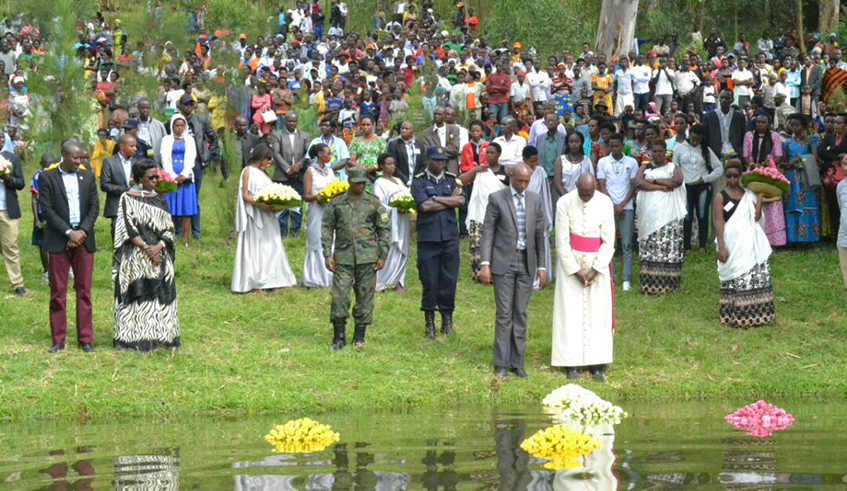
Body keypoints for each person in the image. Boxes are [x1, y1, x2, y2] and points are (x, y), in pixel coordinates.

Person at [477, 163, 546, 379]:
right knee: (504, 313)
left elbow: (539, 235)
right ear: (511, 177)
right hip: (502, 262)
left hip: (526, 262)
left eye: (526, 181)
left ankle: (518, 363)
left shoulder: (535, 199)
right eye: (519, 181)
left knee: (520, 313)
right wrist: (485, 263)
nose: (523, 185)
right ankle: (501, 364)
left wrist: (542, 266)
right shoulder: (497, 198)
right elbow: (487, 232)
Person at [552, 173, 615, 381]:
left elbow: (608, 241)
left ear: (595, 188)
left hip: (598, 265)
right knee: (569, 313)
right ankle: (571, 363)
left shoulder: (605, 203)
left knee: (597, 314)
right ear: (577, 188)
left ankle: (596, 364)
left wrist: (596, 268)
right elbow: (561, 240)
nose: (585, 198)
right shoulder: (564, 202)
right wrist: (575, 270)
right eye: (582, 194)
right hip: (571, 265)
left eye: (589, 194)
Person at [112, 159, 180, 351]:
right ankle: (134, 337)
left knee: (160, 296)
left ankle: (161, 337)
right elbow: (126, 227)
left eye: (157, 176)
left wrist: (158, 247)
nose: (155, 180)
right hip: (136, 255)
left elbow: (168, 227)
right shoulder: (127, 197)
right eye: (151, 178)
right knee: (137, 294)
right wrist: (146, 248)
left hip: (160, 255)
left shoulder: (159, 198)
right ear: (139, 178)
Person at [39, 141, 99, 353]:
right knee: (58, 291)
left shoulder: (88, 176)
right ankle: (58, 339)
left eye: (82, 158)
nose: (80, 161)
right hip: (58, 240)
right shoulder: (47, 177)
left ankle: (85, 339)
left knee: (84, 290)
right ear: (63, 155)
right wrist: (68, 232)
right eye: (76, 158)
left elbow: (94, 208)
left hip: (83, 239)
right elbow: (46, 209)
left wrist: (81, 231)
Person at [322, 166, 389, 350]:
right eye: (357, 183)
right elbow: (327, 227)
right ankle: (339, 336)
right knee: (340, 296)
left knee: (365, 297)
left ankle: (359, 336)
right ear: (349, 182)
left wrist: (383, 255)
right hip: (343, 257)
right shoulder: (337, 202)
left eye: (363, 183)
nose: (361, 186)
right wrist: (327, 253)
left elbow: (384, 229)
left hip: (368, 257)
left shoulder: (374, 203)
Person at [411, 146, 465, 339]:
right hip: (428, 239)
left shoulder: (452, 179)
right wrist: (448, 200)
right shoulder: (418, 181)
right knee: (429, 280)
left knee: (449, 280)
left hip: (449, 238)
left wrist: (437, 199)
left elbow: (460, 201)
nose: (441, 163)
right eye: (437, 160)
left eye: (443, 160)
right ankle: (429, 323)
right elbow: (424, 206)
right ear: (428, 161)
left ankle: (447, 320)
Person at [714, 160, 775, 328]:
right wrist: (721, 247)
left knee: (753, 275)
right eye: (729, 176)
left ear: (740, 176)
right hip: (732, 243)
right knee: (737, 275)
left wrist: (761, 197)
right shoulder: (721, 196)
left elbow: (756, 217)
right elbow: (719, 223)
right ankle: (735, 315)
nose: (732, 179)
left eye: (735, 175)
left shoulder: (748, 195)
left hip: (750, 242)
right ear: (725, 177)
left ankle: (758, 314)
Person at [232, 143, 298, 293]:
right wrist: (260, 205)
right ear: (260, 157)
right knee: (256, 246)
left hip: (268, 214)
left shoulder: (264, 173)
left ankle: (272, 278)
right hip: (255, 215)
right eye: (268, 159)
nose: (270, 162)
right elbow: (245, 195)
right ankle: (255, 281)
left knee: (271, 245)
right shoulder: (248, 171)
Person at [635, 139, 686, 294]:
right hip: (649, 216)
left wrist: (654, 180)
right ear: (650, 152)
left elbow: (677, 181)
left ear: (665, 152)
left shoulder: (672, 167)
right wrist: (661, 186)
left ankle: (669, 285)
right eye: (654, 151)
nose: (657, 154)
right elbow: (639, 183)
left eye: (660, 151)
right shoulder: (644, 167)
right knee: (651, 246)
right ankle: (649, 284)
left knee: (668, 248)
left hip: (669, 217)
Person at [672, 123, 724, 254]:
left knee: (702, 215)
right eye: (694, 138)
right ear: (690, 134)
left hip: (702, 186)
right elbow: (674, 166)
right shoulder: (679, 148)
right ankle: (687, 247)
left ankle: (702, 246)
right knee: (687, 216)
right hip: (686, 187)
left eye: (699, 139)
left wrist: (706, 178)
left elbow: (719, 168)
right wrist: (679, 179)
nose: (695, 141)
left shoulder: (705, 149)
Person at [461, 142, 509, 279]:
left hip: (498, 215)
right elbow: (460, 181)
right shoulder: (480, 170)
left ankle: (495, 273)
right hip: (478, 214)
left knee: (496, 244)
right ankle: (478, 272)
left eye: (491, 152)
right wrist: (475, 170)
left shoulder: (506, 171)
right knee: (477, 244)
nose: (488, 155)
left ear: (499, 154)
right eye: (486, 152)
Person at [596, 133, 638, 291]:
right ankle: (610, 277)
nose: (614, 148)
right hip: (608, 207)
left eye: (617, 146)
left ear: (622, 145)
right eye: (611, 146)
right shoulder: (603, 162)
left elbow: (633, 186)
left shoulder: (631, 162)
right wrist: (612, 205)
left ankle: (626, 279)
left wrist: (621, 205)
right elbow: (602, 185)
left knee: (627, 244)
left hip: (626, 207)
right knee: (609, 243)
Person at [175, 93, 219, 242]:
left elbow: (213, 136)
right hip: (178, 165)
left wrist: (207, 154)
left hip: (196, 164)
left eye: (190, 104)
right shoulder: (174, 122)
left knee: (194, 197)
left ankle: (196, 232)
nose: (188, 107)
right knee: (178, 196)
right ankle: (179, 231)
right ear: (179, 106)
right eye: (185, 104)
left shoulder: (200, 121)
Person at [743, 114, 786, 247]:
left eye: (763, 122)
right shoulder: (749, 135)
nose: (760, 125)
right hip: (754, 172)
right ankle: (754, 238)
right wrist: (752, 165)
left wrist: (767, 164)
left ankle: (774, 240)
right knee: (754, 203)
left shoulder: (774, 136)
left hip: (770, 172)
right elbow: (745, 155)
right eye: (758, 122)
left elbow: (778, 155)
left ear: (769, 123)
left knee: (772, 206)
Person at [268, 112, 310, 238]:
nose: (291, 123)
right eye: (289, 121)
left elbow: (307, 153)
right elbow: (275, 153)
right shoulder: (277, 135)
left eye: (294, 121)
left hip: (299, 176)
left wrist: (298, 166)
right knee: (282, 203)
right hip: (282, 175)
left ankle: (295, 231)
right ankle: (282, 231)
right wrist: (287, 169)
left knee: (297, 204)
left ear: (297, 122)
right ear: (285, 121)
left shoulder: (305, 136)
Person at [781, 113, 821, 244]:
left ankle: (808, 239)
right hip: (791, 178)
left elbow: (815, 158)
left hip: (805, 177)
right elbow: (783, 160)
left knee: (806, 206)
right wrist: (786, 164)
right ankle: (793, 239)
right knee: (792, 206)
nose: (794, 128)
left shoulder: (810, 140)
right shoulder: (786, 142)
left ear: (803, 126)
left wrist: (799, 158)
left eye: (797, 125)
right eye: (792, 125)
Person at [374, 153, 411, 292]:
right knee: (390, 247)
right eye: (389, 164)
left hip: (403, 219)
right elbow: (379, 204)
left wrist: (407, 205)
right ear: (382, 166)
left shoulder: (399, 180)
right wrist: (395, 208)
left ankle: (398, 280)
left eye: (393, 164)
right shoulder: (379, 182)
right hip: (391, 220)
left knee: (402, 248)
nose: (392, 167)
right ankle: (384, 280)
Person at [161, 114, 198, 247]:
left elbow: (191, 158)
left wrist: (183, 174)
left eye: (182, 125)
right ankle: (169, 239)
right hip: (170, 179)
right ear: (172, 126)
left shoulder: (190, 140)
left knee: (186, 210)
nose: (179, 128)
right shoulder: (166, 140)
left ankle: (185, 240)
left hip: (186, 178)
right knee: (169, 209)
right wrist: (172, 175)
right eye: (177, 125)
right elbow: (164, 158)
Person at [302, 143, 335, 288]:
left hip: (329, 210)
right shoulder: (310, 171)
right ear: (319, 154)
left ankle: (330, 275)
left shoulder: (330, 171)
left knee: (330, 239)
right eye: (328, 153)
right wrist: (317, 198)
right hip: (316, 210)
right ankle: (314, 276)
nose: (330, 156)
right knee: (317, 240)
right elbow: (306, 196)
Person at [523, 146, 554, 289]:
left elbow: (545, 194)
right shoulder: (520, 172)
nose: (534, 164)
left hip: (538, 212)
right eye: (531, 161)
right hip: (523, 212)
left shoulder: (540, 172)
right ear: (524, 160)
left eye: (536, 161)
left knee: (538, 243)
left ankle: (539, 274)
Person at [101, 133, 139, 240]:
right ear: (122, 146)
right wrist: (125, 190)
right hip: (116, 204)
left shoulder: (137, 163)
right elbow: (104, 185)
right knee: (117, 231)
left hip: (134, 204)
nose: (135, 149)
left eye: (135, 146)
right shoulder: (109, 162)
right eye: (131, 146)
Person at [0, 148, 24, 296]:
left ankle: (17, 283)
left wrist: (8, 179)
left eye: (1, 137)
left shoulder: (11, 158)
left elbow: (21, 183)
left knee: (10, 246)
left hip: (7, 209)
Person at [30, 153, 53, 284]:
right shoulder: (38, 176)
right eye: (46, 163)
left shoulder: (57, 173)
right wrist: (37, 219)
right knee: (43, 244)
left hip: (56, 213)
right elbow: (34, 199)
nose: (48, 165)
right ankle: (46, 270)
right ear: (41, 163)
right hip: (42, 213)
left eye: (50, 162)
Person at [421, 106, 462, 174]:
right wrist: (444, 151)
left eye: (439, 114)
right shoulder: (426, 132)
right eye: (435, 114)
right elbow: (427, 151)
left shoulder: (454, 129)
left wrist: (436, 152)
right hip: (434, 168)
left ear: (445, 115)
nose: (437, 116)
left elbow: (454, 149)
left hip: (450, 167)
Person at [554, 132, 593, 197]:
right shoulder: (560, 160)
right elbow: (557, 184)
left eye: (576, 141)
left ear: (581, 143)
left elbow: (591, 181)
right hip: (565, 198)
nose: (574, 144)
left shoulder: (587, 160)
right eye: (571, 142)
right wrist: (567, 198)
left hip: (583, 198)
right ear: (567, 144)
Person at [387, 121, 427, 186]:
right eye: (402, 128)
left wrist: (416, 179)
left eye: (406, 129)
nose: (403, 130)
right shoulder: (394, 144)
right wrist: (406, 181)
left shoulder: (419, 144)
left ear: (413, 130)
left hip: (417, 182)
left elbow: (424, 164)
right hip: (400, 182)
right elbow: (393, 165)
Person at [136, 98, 167, 163]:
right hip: (137, 156)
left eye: (147, 108)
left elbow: (165, 142)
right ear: (138, 108)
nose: (145, 110)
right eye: (142, 108)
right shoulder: (133, 123)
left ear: (150, 109)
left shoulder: (158, 125)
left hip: (153, 157)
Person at [837, 156, 847, 299]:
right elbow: (841, 208)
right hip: (844, 234)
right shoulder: (840, 186)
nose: (845, 168)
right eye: (844, 164)